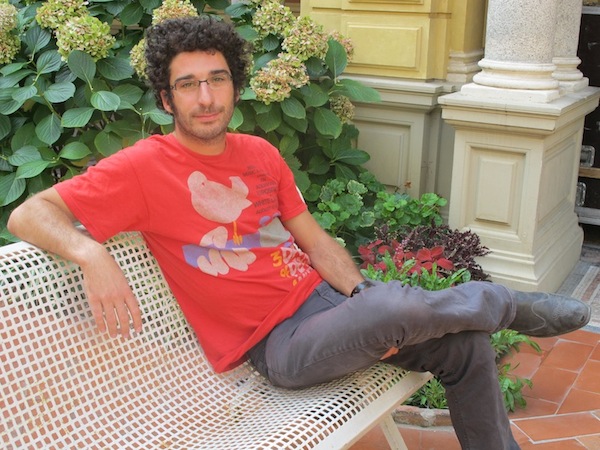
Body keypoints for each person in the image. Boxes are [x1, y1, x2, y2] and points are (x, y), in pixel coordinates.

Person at [8, 16, 591, 450]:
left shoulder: (260, 154)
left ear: (235, 86)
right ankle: (506, 304)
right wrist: (90, 252)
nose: (206, 97)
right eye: (188, 84)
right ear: (166, 98)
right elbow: (28, 214)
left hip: (329, 309)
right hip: (279, 345)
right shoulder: (143, 167)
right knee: (398, 307)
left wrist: (364, 302)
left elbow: (314, 242)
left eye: (217, 79)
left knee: (463, 346)